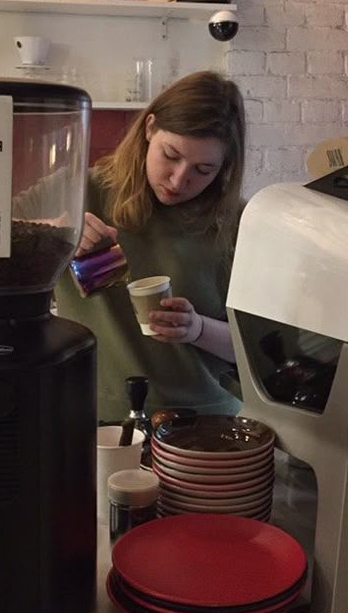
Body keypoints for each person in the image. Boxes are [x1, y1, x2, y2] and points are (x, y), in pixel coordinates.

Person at [54, 70, 246, 424]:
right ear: (149, 128)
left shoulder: (237, 222)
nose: (179, 180)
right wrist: (54, 233)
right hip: (92, 418)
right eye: (170, 155)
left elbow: (256, 351)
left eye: (203, 170)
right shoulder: (81, 190)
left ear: (225, 168)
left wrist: (198, 329)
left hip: (204, 424)